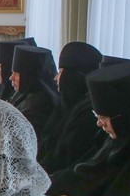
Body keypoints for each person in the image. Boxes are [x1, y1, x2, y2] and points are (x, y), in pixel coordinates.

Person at [47, 61, 130, 196]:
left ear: (127, 117)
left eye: (104, 118)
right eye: (97, 116)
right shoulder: (115, 140)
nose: (99, 123)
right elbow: (82, 173)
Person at [37, 41, 104, 174]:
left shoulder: (87, 113)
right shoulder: (67, 106)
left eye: (61, 72)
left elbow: (64, 161)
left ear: (73, 76)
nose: (56, 78)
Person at [8, 45, 59, 137]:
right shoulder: (22, 93)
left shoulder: (37, 103)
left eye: (16, 74)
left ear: (29, 76)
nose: (11, 78)